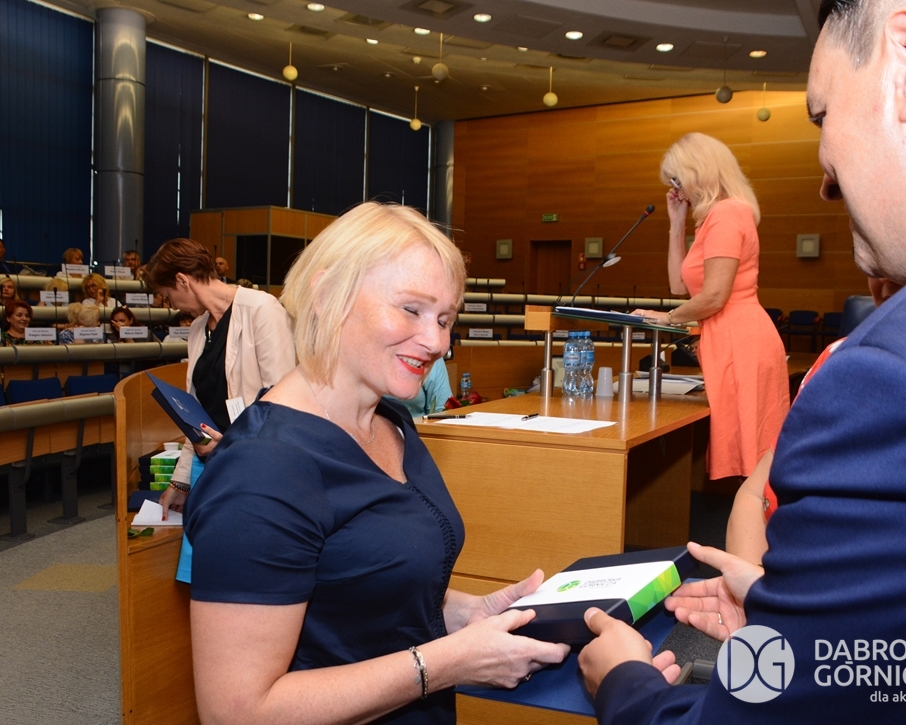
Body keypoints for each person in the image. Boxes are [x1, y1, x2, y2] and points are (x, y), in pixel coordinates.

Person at [579, 1, 906, 722]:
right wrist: (802, 625)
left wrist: (626, 682)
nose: (825, 177)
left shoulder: (905, 378)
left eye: (821, 116)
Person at [184, 202, 569, 725]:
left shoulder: (390, 421)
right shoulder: (261, 471)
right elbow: (238, 713)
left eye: (445, 319)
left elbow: (359, 589)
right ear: (328, 295)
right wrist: (446, 663)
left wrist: (468, 614)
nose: (437, 342)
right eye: (411, 310)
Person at [634, 133, 789, 480]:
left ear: (699, 172)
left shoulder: (727, 213)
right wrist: (677, 223)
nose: (677, 191)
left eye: (678, 180)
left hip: (741, 341)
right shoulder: (714, 216)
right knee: (750, 460)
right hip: (728, 338)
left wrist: (668, 318)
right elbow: (679, 286)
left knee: (756, 464)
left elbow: (716, 296)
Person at [726, 275, 903, 565]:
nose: (884, 286)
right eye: (875, 270)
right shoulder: (835, 356)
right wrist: (752, 582)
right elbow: (755, 495)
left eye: (899, 274)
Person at [144, 238, 295, 528]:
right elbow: (196, 412)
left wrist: (230, 445)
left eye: (167, 295)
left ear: (182, 280)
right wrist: (181, 481)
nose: (172, 304)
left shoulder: (261, 308)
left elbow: (282, 402)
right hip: (210, 463)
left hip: (256, 465)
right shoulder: (198, 328)